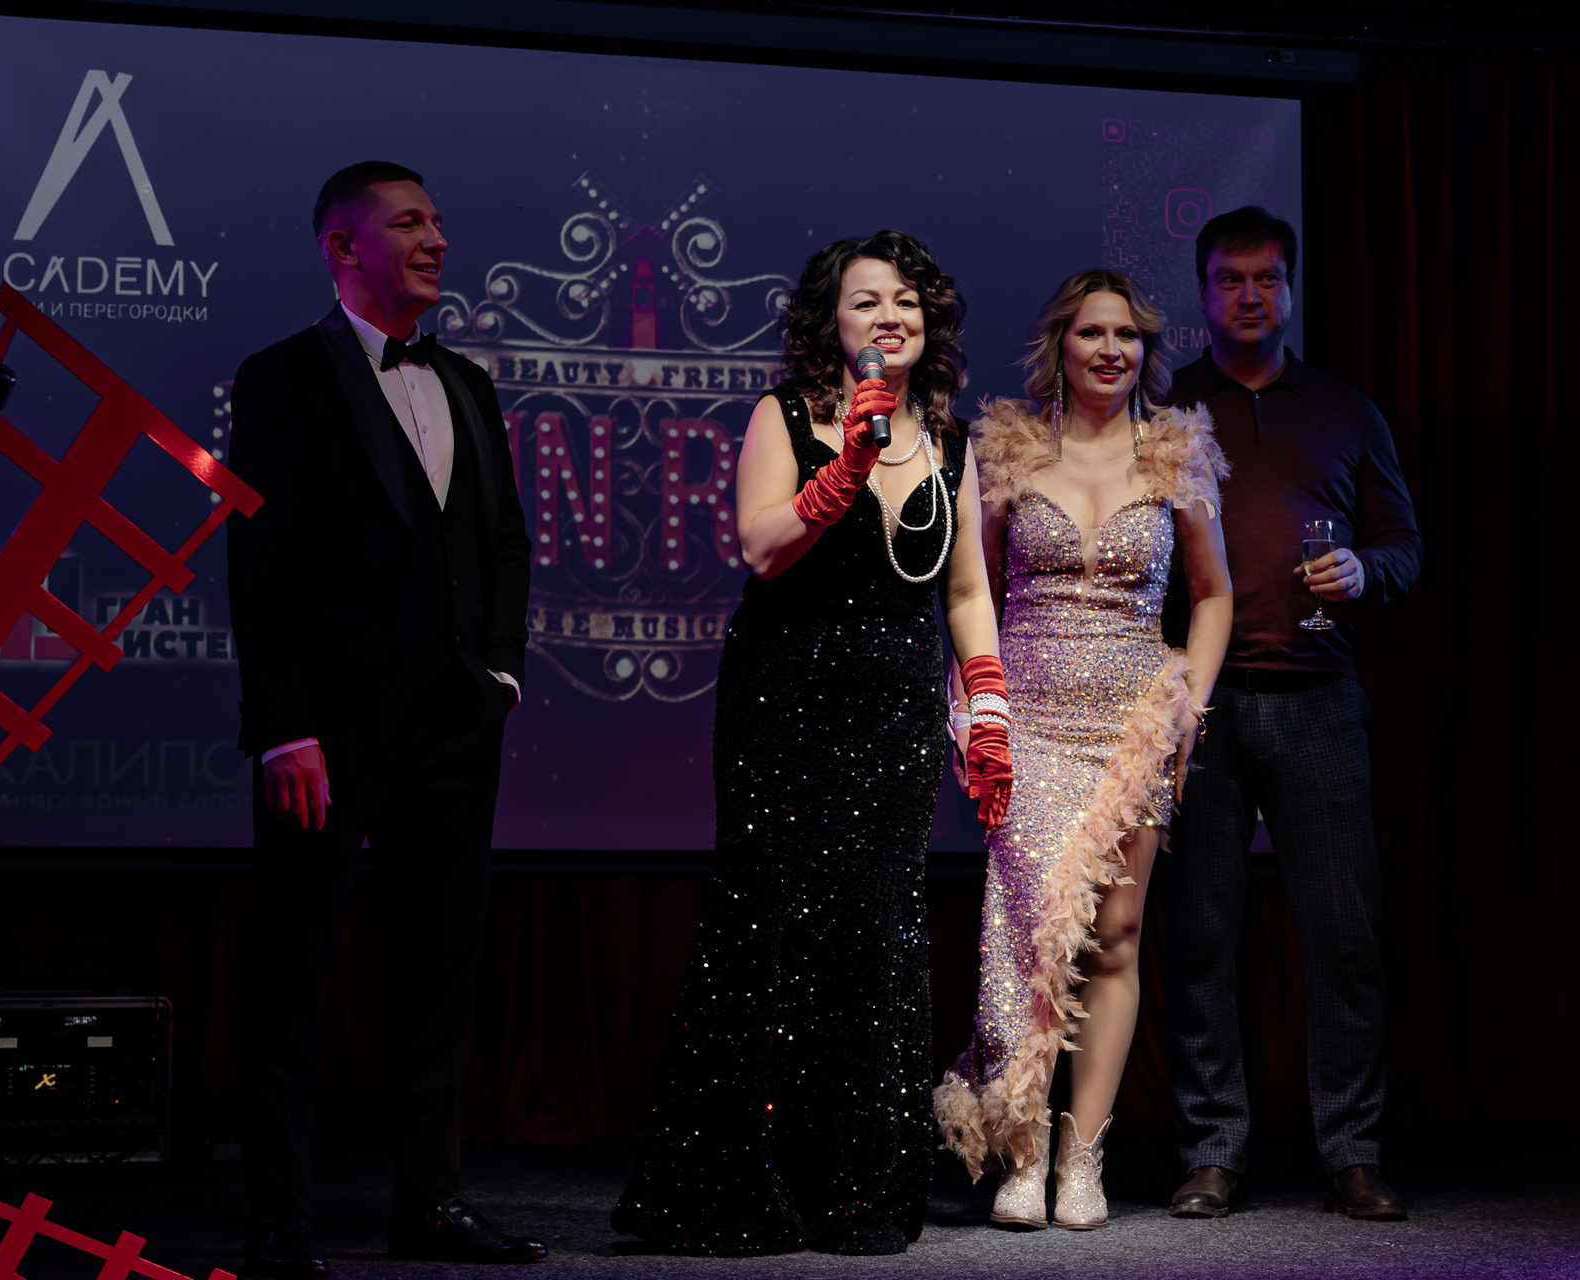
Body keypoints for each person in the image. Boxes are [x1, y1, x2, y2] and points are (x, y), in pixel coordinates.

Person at [612, 230, 1011, 1257]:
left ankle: (852, 1186)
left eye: (907, 300)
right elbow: (760, 545)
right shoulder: (784, 415)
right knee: (771, 928)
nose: (890, 316)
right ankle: (734, 1184)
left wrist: (988, 706)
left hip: (896, 714)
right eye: (867, 301)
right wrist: (846, 470)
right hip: (786, 702)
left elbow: (966, 590)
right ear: (830, 323)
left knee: (874, 936)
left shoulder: (950, 440)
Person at [226, 161, 544, 1273]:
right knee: (290, 974)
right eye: (409, 222)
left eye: (438, 221)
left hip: (457, 723)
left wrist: (500, 673)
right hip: (328, 733)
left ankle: (431, 1203)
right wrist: (283, 725)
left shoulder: (466, 382)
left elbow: (505, 543)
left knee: (438, 971)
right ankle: (279, 1215)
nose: (436, 239)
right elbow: (261, 565)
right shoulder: (284, 376)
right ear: (343, 247)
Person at [935, 270, 1233, 1230]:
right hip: (1029, 718)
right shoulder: (1012, 452)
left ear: (1146, 350)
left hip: (1132, 724)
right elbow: (970, 592)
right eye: (1093, 333)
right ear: (1059, 345)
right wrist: (974, 708)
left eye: (1128, 335)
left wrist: (1189, 705)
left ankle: (1082, 1157)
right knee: (1026, 932)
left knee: (1117, 934)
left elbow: (1214, 595)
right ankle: (1021, 1149)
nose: (1112, 350)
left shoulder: (1177, 454)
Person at [1157, 205, 1421, 1222]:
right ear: (1204, 292)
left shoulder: (1347, 411)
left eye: (1268, 277)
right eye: (1230, 279)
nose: (1250, 295)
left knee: (1345, 937)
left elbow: (1404, 543)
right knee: (1201, 939)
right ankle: (1212, 1154)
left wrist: (1367, 567)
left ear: (1292, 289)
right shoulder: (1168, 410)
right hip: (1201, 704)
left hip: (1320, 700)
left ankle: (1352, 1153)